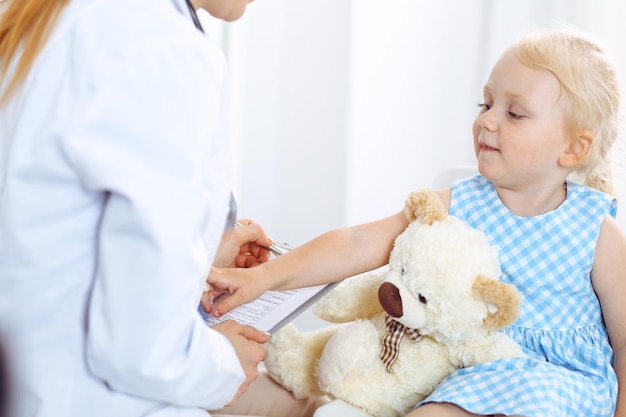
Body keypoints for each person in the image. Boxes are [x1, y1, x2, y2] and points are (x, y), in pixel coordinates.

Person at [205, 30, 626, 417]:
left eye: (514, 113)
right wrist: (263, 277)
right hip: (456, 369)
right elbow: (356, 243)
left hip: (558, 387)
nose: (487, 120)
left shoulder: (596, 230)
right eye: (486, 103)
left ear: (574, 147)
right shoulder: (458, 202)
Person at [0, 0, 326, 416]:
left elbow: (54, 236)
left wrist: (197, 257)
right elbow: (142, 350)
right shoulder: (162, 50)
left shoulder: (55, 18)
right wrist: (226, 362)